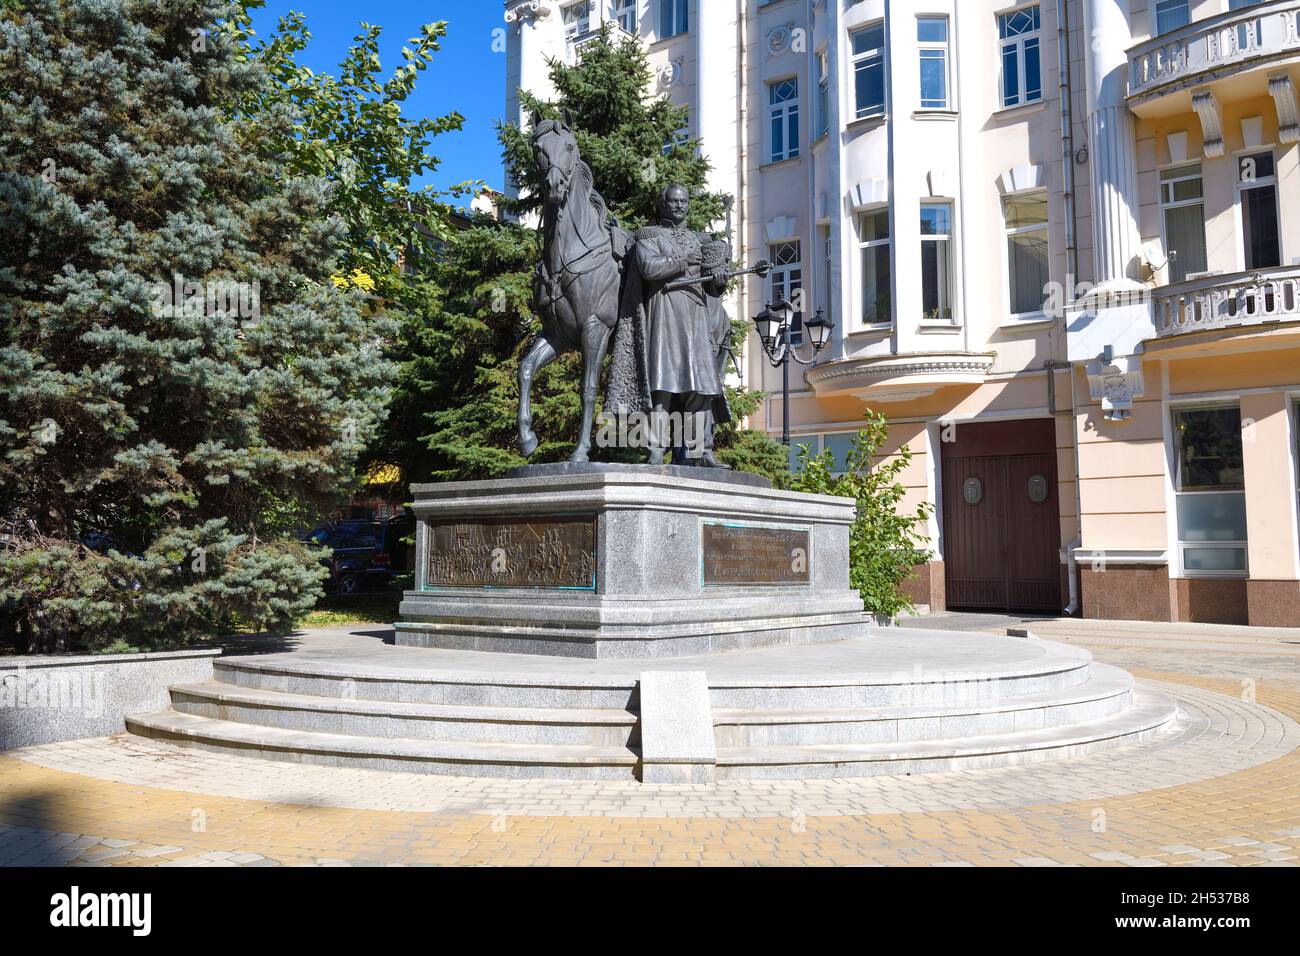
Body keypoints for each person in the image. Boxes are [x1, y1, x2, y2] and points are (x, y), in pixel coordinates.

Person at [624, 185, 732, 466]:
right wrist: (685, 260)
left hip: (696, 315)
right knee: (662, 384)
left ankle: (700, 452)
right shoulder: (649, 235)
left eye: (683, 201)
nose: (679, 206)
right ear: (663, 204)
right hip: (666, 311)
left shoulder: (701, 239)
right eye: (673, 201)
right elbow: (649, 268)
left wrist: (718, 279)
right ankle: (656, 448)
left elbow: (712, 284)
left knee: (699, 386)